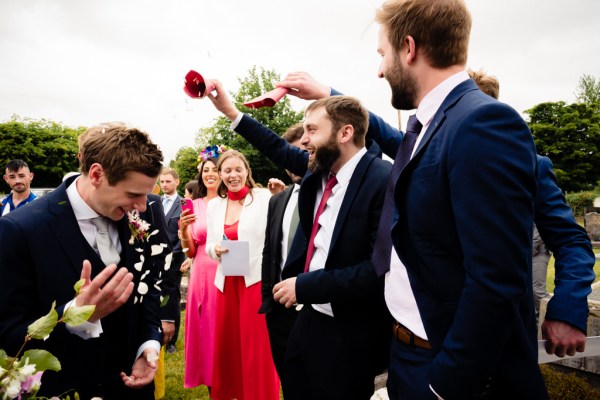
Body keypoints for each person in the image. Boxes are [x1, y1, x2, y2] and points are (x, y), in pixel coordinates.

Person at [277, 69, 597, 359]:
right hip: (415, 347)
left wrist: (567, 308)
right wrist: (327, 92)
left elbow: (570, 239)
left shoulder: (530, 165)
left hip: (491, 342)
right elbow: (383, 131)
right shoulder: (424, 156)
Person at [368, 1, 547, 398]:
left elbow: (497, 279)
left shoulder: (482, 122)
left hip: (447, 372)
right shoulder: (427, 126)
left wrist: (446, 386)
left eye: (382, 54)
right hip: (407, 354)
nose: (379, 70)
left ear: (409, 48)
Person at [206, 85, 391, 398]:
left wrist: (304, 286)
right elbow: (277, 148)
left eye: (312, 130)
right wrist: (230, 112)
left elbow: (376, 271)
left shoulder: (383, 179)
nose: (304, 140)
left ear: (345, 133)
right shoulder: (319, 172)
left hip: (348, 330)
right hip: (306, 320)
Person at [0, 122, 167, 399]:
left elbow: (147, 287)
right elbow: (8, 334)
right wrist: (75, 316)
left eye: (146, 194)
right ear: (97, 174)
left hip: (132, 387)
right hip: (64, 387)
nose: (141, 206)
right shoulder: (20, 230)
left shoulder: (141, 216)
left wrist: (147, 344)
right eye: (133, 194)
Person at [203, 150, 279, 400]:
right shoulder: (215, 205)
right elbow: (209, 244)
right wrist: (214, 250)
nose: (233, 175)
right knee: (229, 346)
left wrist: (281, 198)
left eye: (238, 169)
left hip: (254, 281)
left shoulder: (264, 197)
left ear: (247, 171)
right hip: (226, 282)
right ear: (220, 174)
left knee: (256, 347)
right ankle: (232, 392)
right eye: (227, 171)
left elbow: (278, 231)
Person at [257, 123, 304, 396]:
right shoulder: (278, 201)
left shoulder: (329, 194)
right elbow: (270, 253)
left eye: (300, 152)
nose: (293, 159)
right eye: (288, 154)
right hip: (279, 315)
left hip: (316, 310)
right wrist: (268, 301)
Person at [178, 153, 221, 390]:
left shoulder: (233, 202)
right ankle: (210, 380)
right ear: (201, 175)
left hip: (229, 268)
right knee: (206, 327)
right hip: (202, 271)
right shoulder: (193, 206)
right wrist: (184, 231)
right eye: (206, 170)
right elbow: (190, 252)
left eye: (215, 169)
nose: (210, 174)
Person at [158, 168, 185, 354]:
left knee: (172, 299)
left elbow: (186, 234)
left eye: (168, 181)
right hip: (155, 259)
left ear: (177, 182)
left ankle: (172, 341)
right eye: (162, 182)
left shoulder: (184, 203)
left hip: (175, 259)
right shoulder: (155, 202)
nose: (164, 185)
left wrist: (174, 254)